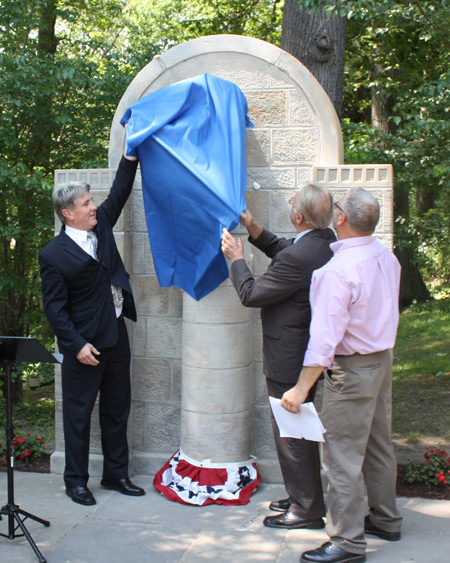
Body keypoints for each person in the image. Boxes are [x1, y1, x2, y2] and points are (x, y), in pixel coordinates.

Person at [281, 188, 402, 563]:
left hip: (350, 372)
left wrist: (302, 389)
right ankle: (386, 519)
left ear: (342, 218)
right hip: (381, 362)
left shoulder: (337, 272)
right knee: (378, 445)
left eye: (338, 206)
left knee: (341, 458)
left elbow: (323, 341)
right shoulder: (386, 256)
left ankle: (347, 542)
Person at [221, 184, 336, 530]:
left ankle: (306, 510)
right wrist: (253, 226)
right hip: (304, 350)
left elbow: (251, 293)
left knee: (292, 433)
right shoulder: (324, 242)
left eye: (291, 203)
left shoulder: (298, 258)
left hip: (289, 357)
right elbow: (284, 249)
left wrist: (237, 259)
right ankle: (302, 493)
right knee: (296, 429)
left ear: (297, 216)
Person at [39, 137, 145, 506]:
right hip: (84, 344)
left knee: (117, 409)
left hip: (116, 334)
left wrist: (131, 154)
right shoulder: (53, 255)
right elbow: (54, 308)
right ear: (68, 213)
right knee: (79, 416)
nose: (93, 206)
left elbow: (120, 190)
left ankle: (116, 475)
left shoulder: (101, 227)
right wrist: (76, 345)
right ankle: (76, 482)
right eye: (86, 204)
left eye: (91, 201)